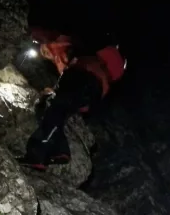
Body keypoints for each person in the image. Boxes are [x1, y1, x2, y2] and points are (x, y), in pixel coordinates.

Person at [17, 27, 127, 171]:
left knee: (52, 111)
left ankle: (37, 156)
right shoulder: (101, 74)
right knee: (56, 113)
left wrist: (31, 33)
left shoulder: (86, 58)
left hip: (82, 81)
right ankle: (60, 151)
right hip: (88, 92)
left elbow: (63, 49)